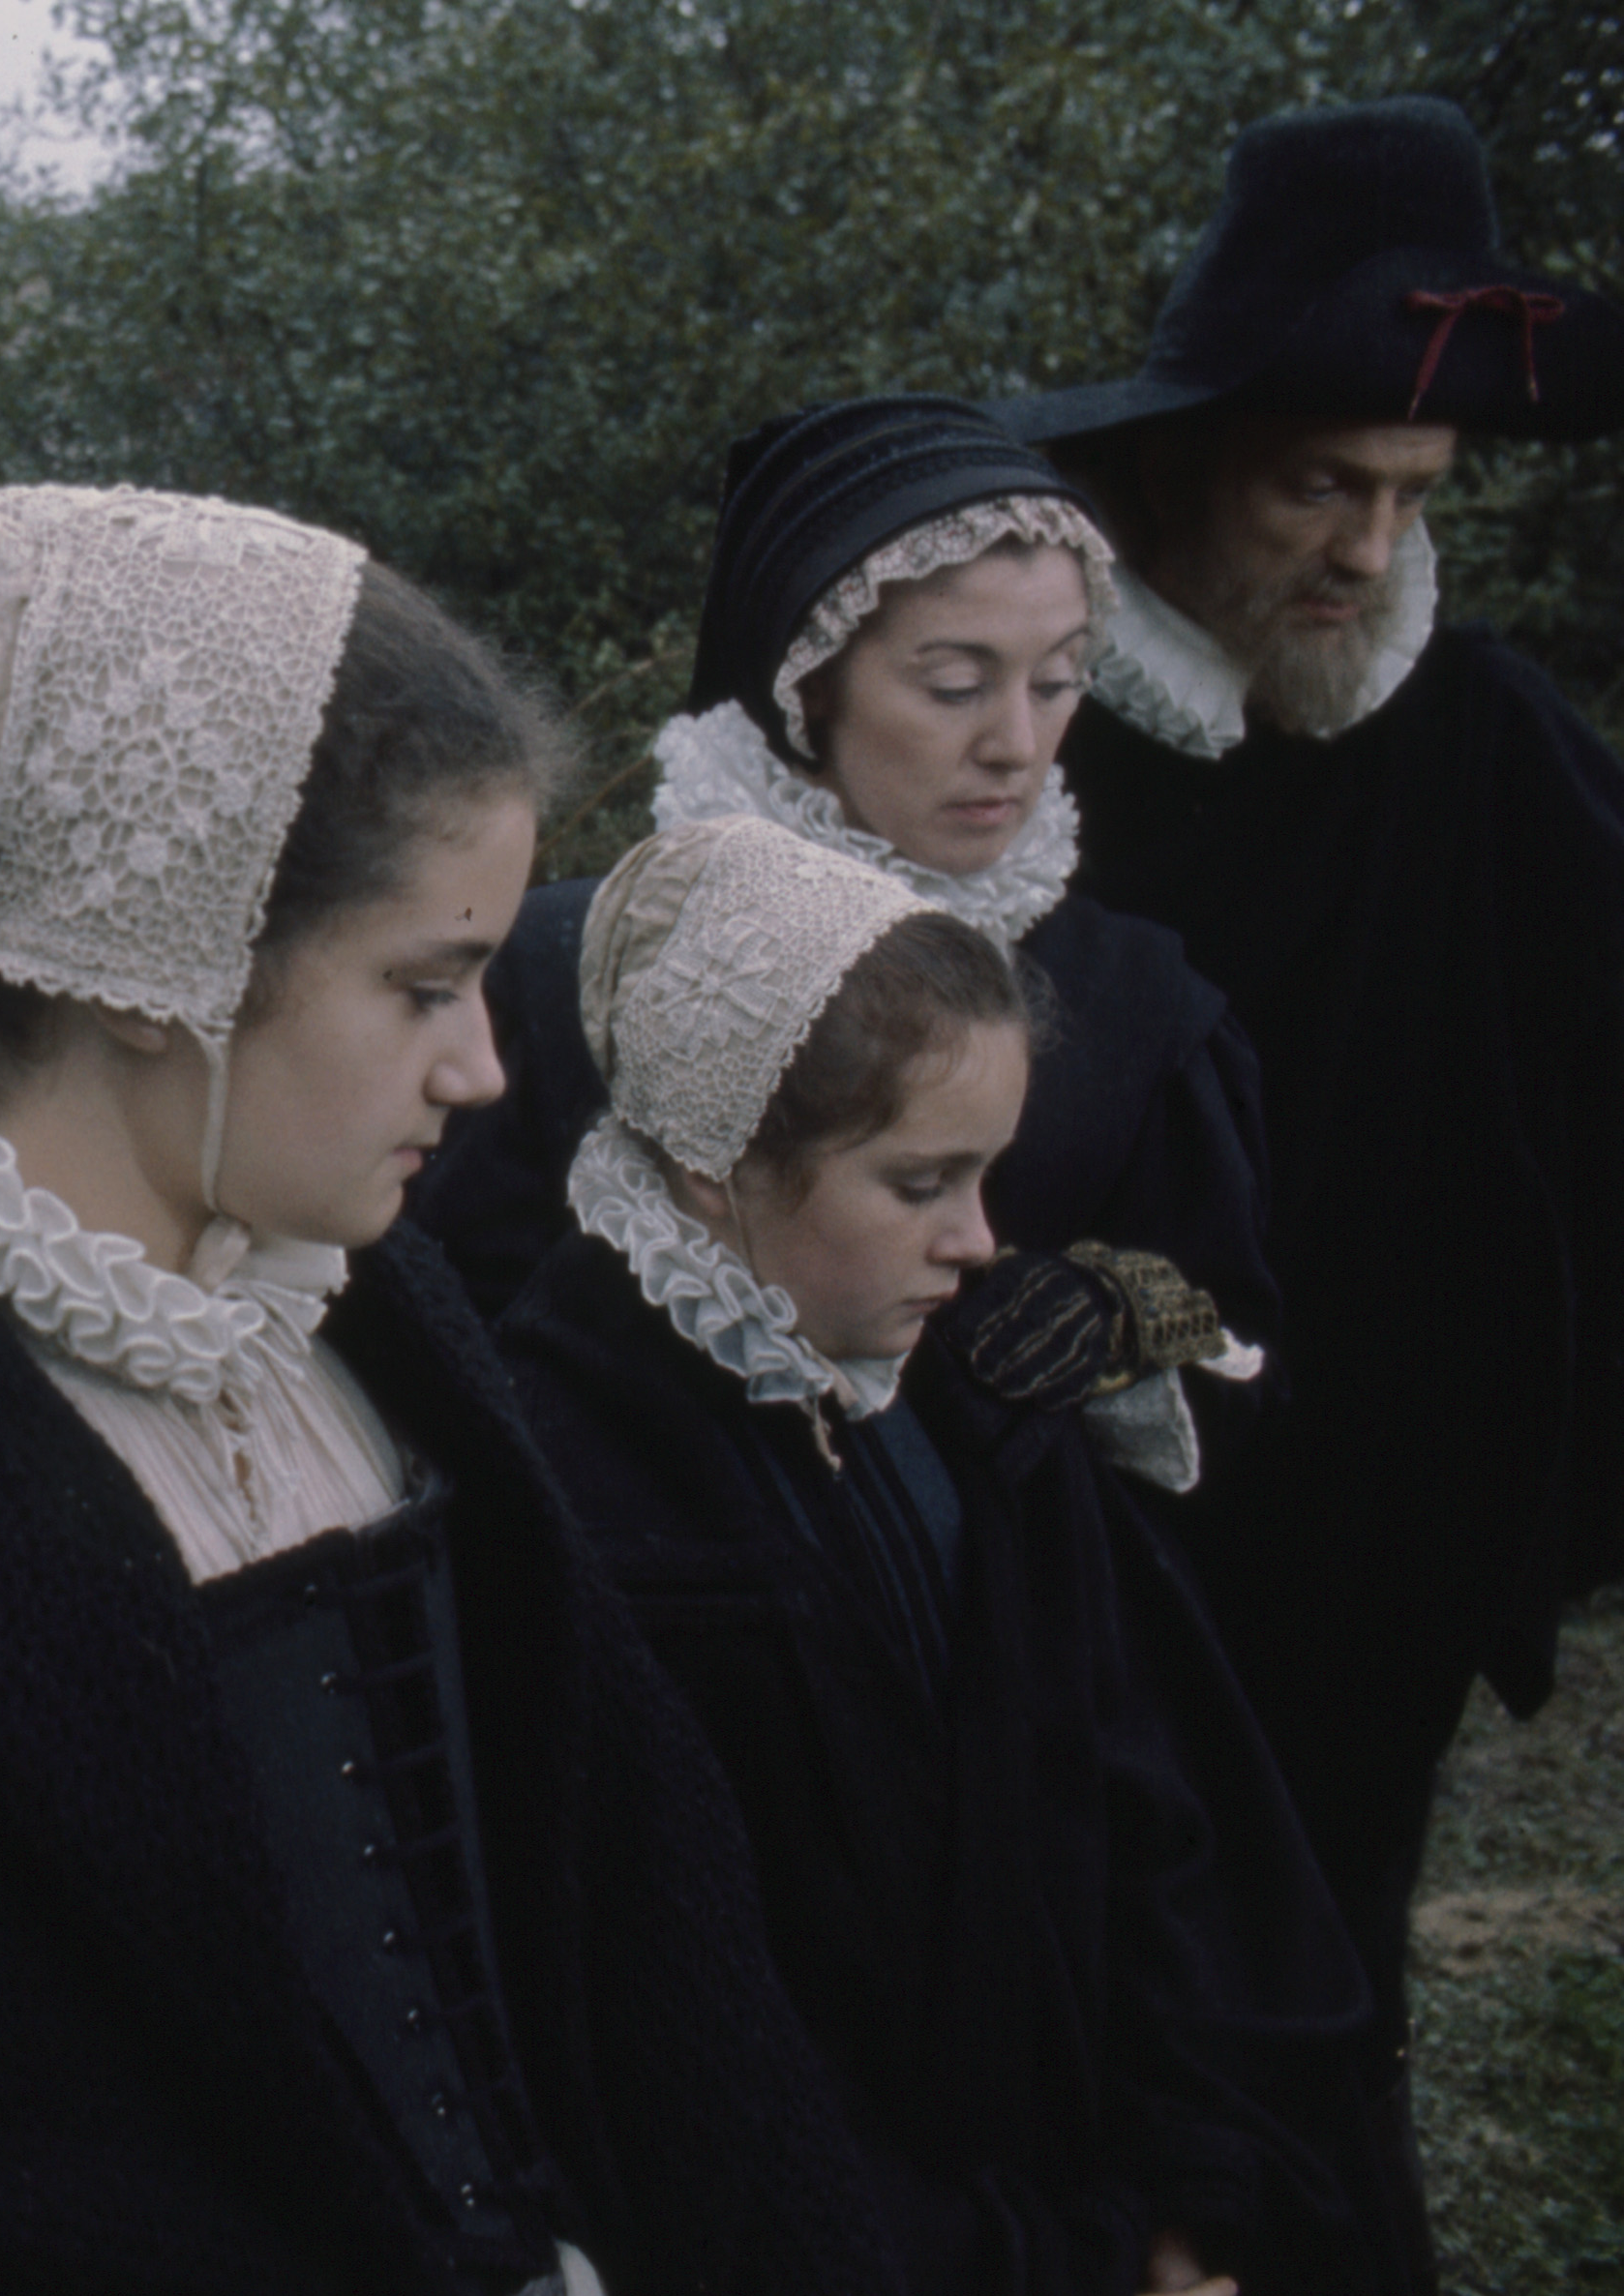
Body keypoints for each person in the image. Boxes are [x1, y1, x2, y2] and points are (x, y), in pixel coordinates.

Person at [0, 487, 916, 2296]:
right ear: (158, 967)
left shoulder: (383, 1326)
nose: (481, 1067)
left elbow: (659, 1931)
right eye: (422, 985)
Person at [989, 95, 1624, 2296]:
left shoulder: (1483, 742)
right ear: (1179, 467)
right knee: (1071, 2021)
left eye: (1408, 493)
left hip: (1369, 1544)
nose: (1364, 547)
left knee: (1314, 2035)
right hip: (1069, 1505)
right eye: (1314, 485)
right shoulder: (1017, 742)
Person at [491, 816, 1398, 2296]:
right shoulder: (588, 1498)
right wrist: (1033, 2291)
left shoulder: (953, 1402)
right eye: (920, 1183)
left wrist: (1182, 2182)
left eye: (986, 1176)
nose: (980, 1241)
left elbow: (1133, 1808)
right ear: (711, 1167)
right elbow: (691, 2058)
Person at [420, 398, 1276, 1491]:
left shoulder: (1139, 1006)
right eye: (955, 685)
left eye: (1058, 680)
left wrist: (1118, 1323)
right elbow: (443, 1351)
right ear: (809, 680)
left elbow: (1243, 1402)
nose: (1015, 743)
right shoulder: (566, 963)